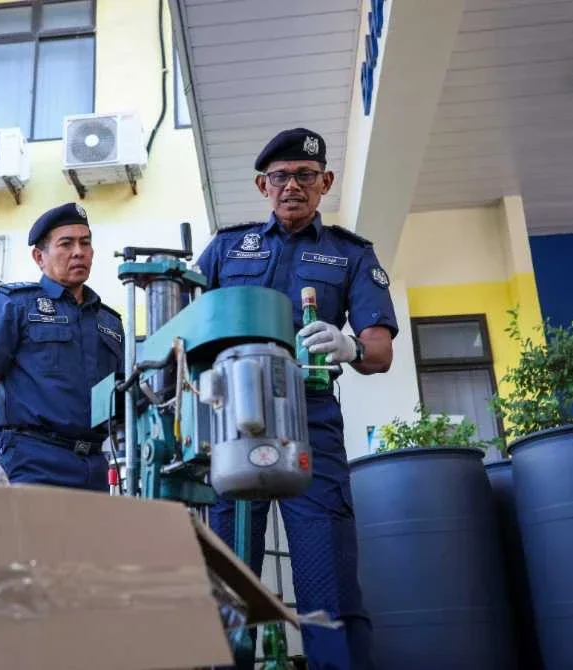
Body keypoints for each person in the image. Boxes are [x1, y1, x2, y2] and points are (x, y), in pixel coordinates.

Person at [195, 128, 398, 670]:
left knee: (326, 578)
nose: (292, 186)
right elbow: (184, 330)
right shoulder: (226, 248)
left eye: (305, 176)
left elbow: (380, 351)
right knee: (228, 580)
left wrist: (351, 345)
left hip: (310, 422)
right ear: (262, 185)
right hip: (231, 422)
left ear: (324, 183)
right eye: (280, 176)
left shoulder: (349, 254)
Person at [0, 202, 124, 490]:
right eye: (66, 243)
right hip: (34, 461)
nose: (78, 251)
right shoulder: (15, 304)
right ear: (39, 256)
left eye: (85, 243)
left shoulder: (109, 322)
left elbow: (122, 396)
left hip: (95, 466)